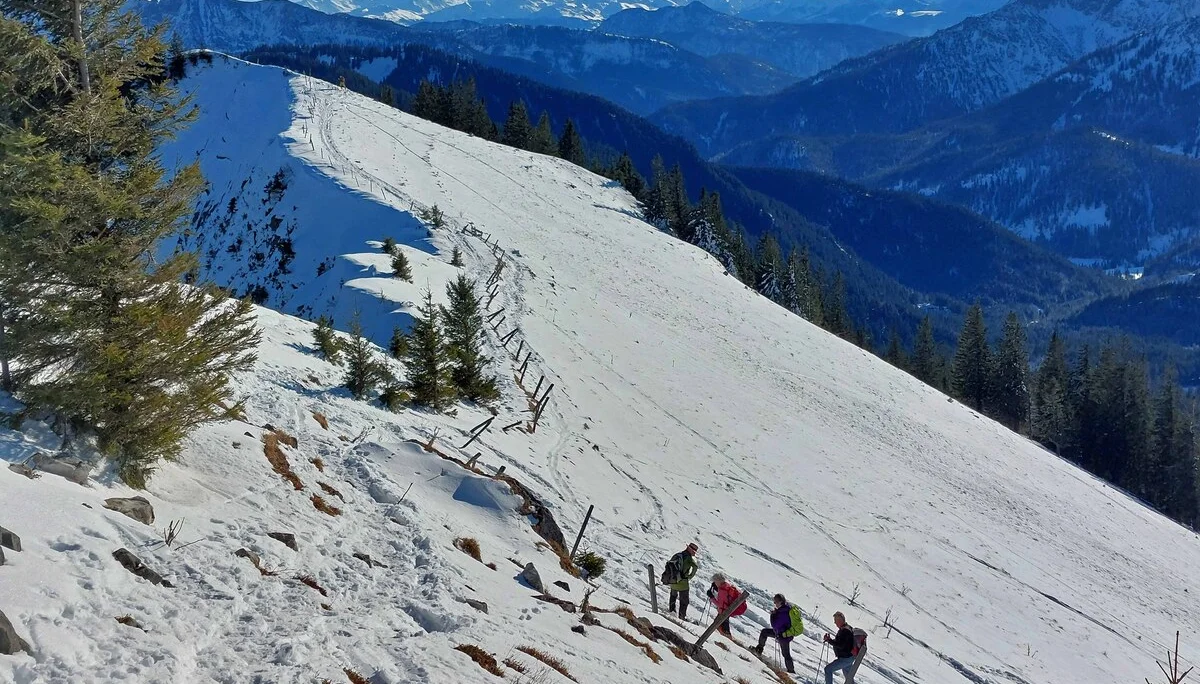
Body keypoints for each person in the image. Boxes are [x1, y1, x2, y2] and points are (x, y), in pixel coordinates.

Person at [751, 594, 804, 673]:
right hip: (783, 633)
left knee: (786, 654)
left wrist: (773, 615)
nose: (774, 603)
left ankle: (791, 671)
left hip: (783, 636)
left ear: (780, 602)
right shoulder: (786, 608)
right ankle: (759, 649)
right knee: (764, 632)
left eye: (775, 602)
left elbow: (775, 625)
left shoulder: (783, 612)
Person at [666, 543, 699, 620]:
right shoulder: (689, 559)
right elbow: (695, 567)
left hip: (673, 581)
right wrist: (689, 576)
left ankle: (672, 611)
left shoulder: (677, 555)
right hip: (683, 582)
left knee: (673, 596)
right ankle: (682, 616)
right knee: (684, 601)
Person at [823, 611, 856, 684]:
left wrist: (829, 640)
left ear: (840, 620)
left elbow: (841, 645)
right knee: (849, 678)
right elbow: (842, 642)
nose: (834, 623)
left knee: (828, 670)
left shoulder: (845, 631)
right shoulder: (847, 628)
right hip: (848, 657)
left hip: (845, 659)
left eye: (835, 620)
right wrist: (830, 640)